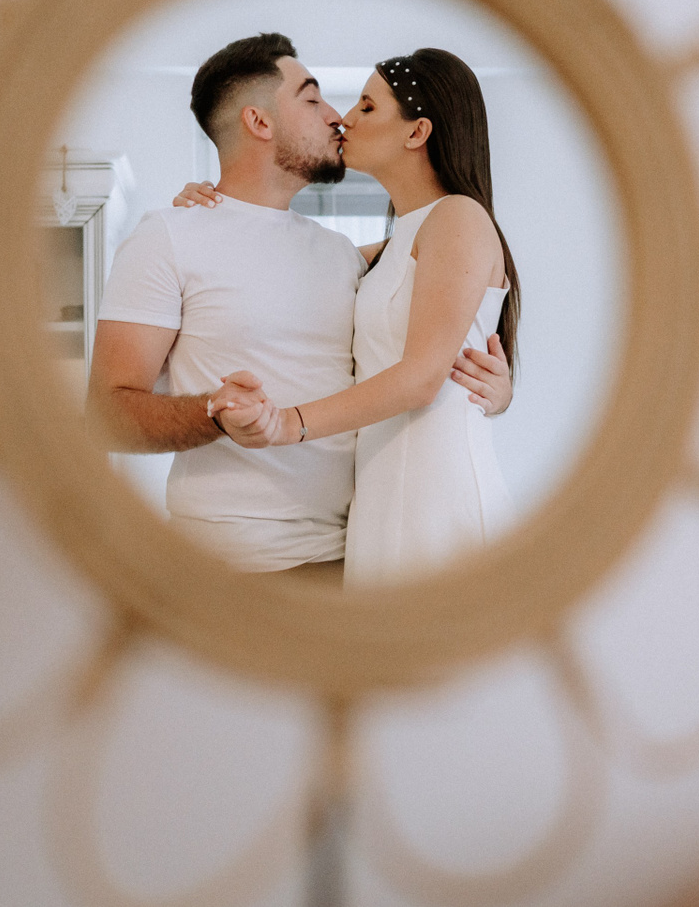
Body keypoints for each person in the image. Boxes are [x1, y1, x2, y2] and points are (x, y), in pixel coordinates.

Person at [87, 34, 511, 585]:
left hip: (353, 554)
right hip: (230, 567)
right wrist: (215, 412)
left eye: (362, 106)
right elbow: (109, 414)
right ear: (259, 121)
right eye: (312, 99)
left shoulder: (344, 255)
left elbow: (447, 304)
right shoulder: (169, 236)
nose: (338, 117)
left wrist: (491, 391)